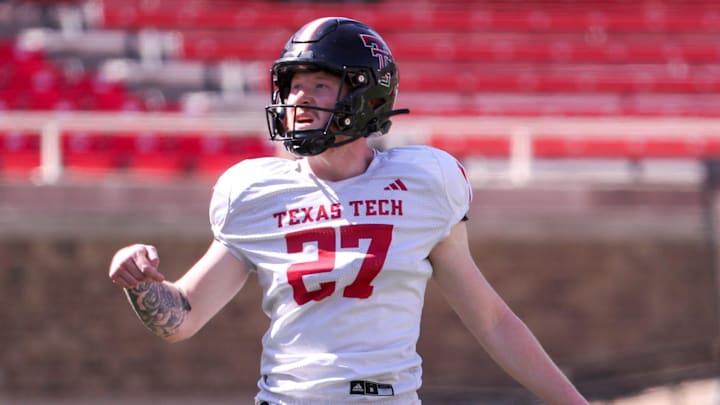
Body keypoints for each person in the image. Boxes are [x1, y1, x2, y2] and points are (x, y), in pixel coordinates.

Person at [109, 16, 588, 405]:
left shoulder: (424, 183)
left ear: (366, 97)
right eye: (294, 85)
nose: (299, 97)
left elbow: (492, 321)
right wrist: (143, 283)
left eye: (319, 84)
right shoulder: (255, 192)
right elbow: (182, 318)